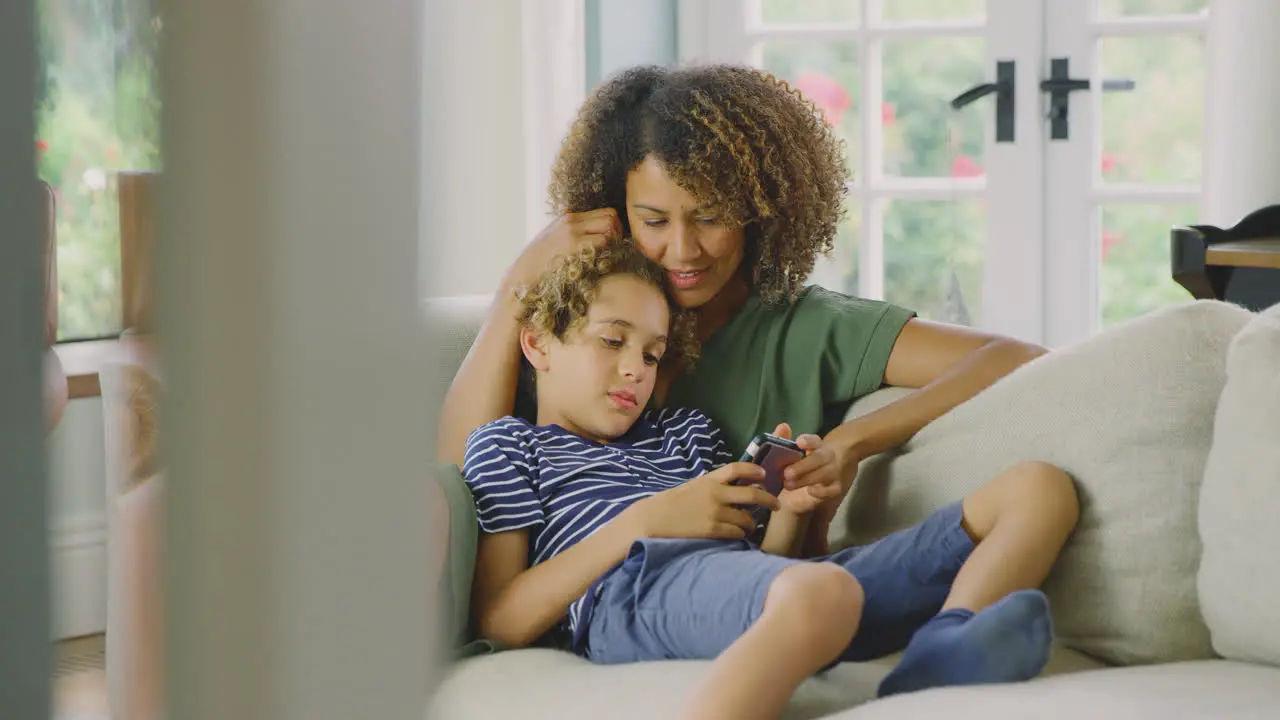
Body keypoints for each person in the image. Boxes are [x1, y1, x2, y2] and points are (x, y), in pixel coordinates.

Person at [438, 63, 1058, 561]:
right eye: (653, 222)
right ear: (615, 211)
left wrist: (854, 442)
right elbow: (460, 473)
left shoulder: (806, 327)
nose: (682, 251)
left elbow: (1014, 358)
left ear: (760, 211)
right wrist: (517, 285)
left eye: (710, 218)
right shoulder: (576, 324)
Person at [463, 238, 1078, 720]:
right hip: (629, 594)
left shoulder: (684, 432)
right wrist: (645, 524)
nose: (634, 369)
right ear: (539, 344)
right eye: (612, 341)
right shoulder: (510, 445)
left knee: (1038, 490)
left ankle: (946, 649)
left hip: (770, 591)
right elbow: (501, 619)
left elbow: (761, 566)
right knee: (821, 596)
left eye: (651, 354)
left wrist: (797, 510)